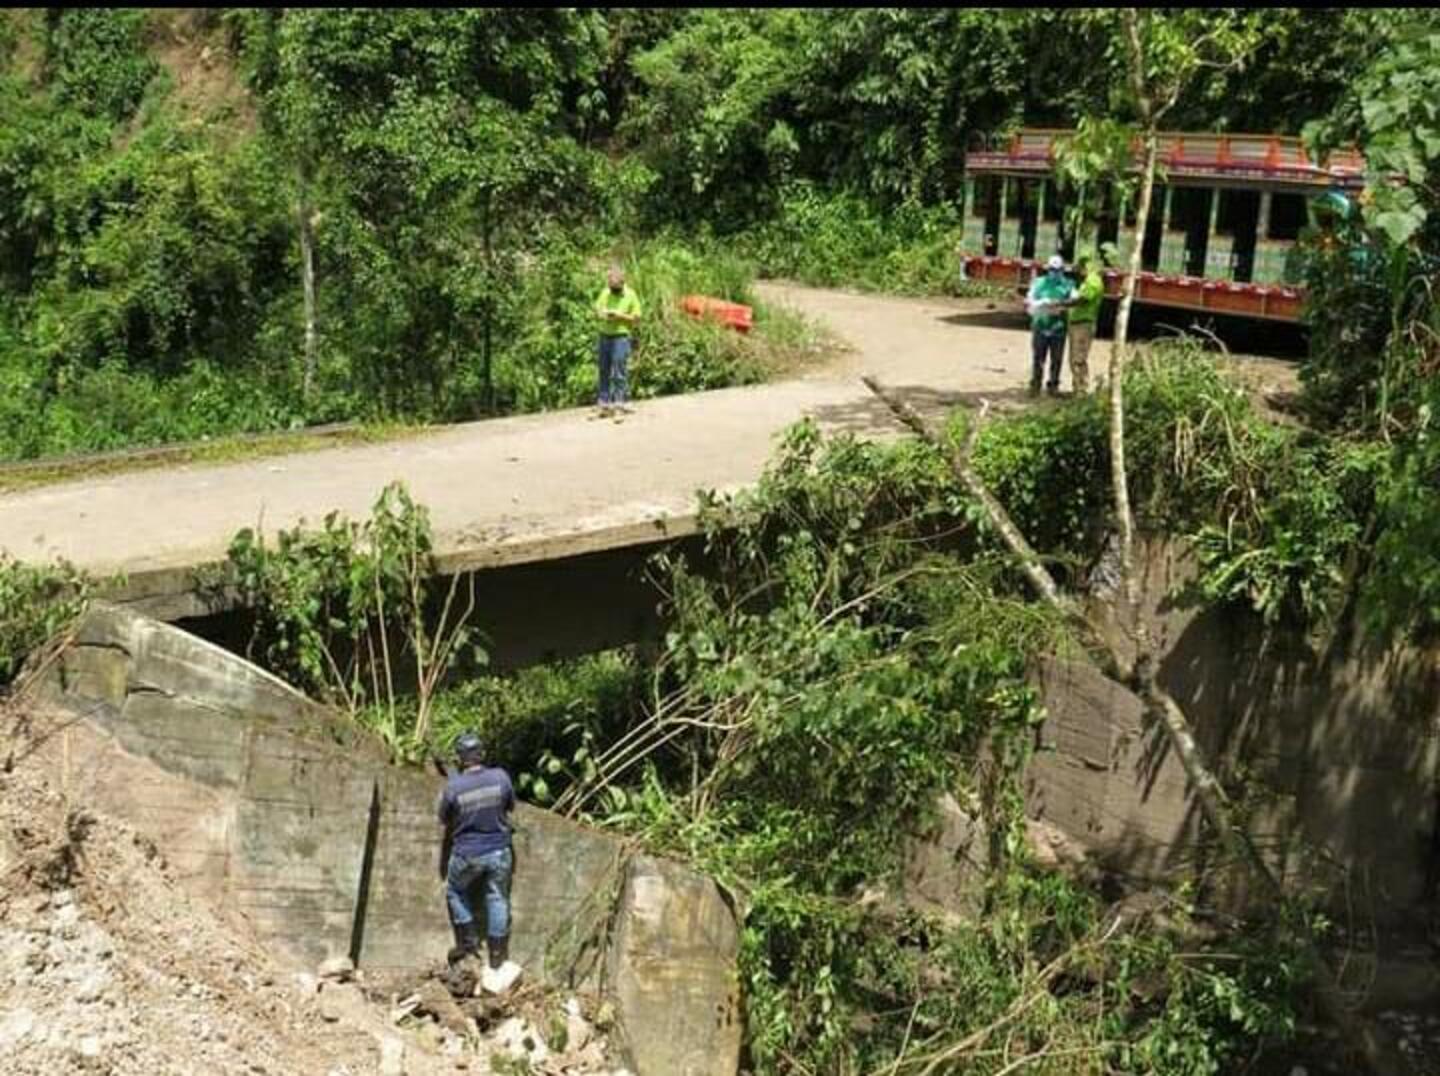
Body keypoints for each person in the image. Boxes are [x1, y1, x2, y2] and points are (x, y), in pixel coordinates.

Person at [437, 731, 515, 971]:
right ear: (482, 754)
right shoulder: (501, 777)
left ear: (460, 758)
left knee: (454, 891)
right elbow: (509, 806)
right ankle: (497, 956)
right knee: (498, 898)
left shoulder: (454, 787)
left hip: (467, 854)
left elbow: (444, 818)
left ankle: (468, 942)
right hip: (500, 850)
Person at [594, 263, 642, 417]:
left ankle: (619, 404)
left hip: (621, 337)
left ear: (622, 283)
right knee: (603, 370)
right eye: (611, 286)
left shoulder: (631, 294)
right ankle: (603, 404)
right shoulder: (605, 292)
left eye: (615, 287)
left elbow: (637, 318)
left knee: (619, 371)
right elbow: (597, 309)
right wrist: (602, 314)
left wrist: (620, 316)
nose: (612, 290)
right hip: (604, 335)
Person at [1025, 255, 1076, 396]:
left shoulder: (1068, 284)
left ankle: (1053, 386)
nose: (1055, 273)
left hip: (1058, 327)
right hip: (1040, 326)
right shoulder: (1039, 282)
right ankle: (1035, 385)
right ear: (1048, 269)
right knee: (1038, 358)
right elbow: (1029, 300)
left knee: (1056, 359)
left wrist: (1060, 304)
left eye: (1058, 270)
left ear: (1062, 270)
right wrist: (1041, 303)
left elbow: (1075, 299)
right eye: (1052, 270)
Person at [1066, 254, 1105, 395]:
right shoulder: (1087, 280)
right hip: (1077, 323)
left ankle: (1081, 391)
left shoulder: (1093, 280)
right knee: (1074, 358)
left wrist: (1063, 304)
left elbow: (1083, 299)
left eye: (1080, 267)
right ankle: (1077, 388)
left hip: (1084, 324)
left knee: (1078, 359)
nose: (1078, 271)